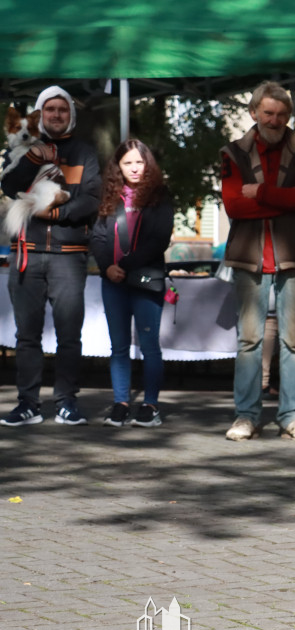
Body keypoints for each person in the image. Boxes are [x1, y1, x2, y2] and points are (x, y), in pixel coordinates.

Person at [220, 81, 295, 442]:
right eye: (268, 113)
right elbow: (233, 205)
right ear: (253, 113)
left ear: (288, 116)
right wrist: (283, 199)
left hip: (291, 254)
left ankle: (293, 415)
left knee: (293, 340)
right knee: (249, 340)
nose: (275, 120)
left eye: (281, 114)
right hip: (249, 255)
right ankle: (246, 415)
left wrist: (260, 193)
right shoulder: (233, 152)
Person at [0, 86, 100, 427]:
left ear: (70, 113)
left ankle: (66, 403)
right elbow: (8, 185)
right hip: (26, 253)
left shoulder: (84, 152)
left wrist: (57, 215)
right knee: (26, 336)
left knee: (69, 335)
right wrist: (33, 158)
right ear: (40, 114)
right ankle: (27, 403)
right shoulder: (24, 150)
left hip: (68, 255)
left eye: (62, 109)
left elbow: (91, 199)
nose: (56, 115)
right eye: (49, 109)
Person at [90, 139, 174, 427]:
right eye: (128, 163)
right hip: (113, 281)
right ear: (118, 167)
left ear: (147, 163)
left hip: (146, 279)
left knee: (150, 346)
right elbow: (99, 237)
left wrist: (123, 265)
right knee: (119, 346)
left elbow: (159, 239)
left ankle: (150, 405)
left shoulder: (160, 195)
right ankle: (120, 403)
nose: (134, 168)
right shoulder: (110, 196)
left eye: (139, 162)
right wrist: (107, 267)